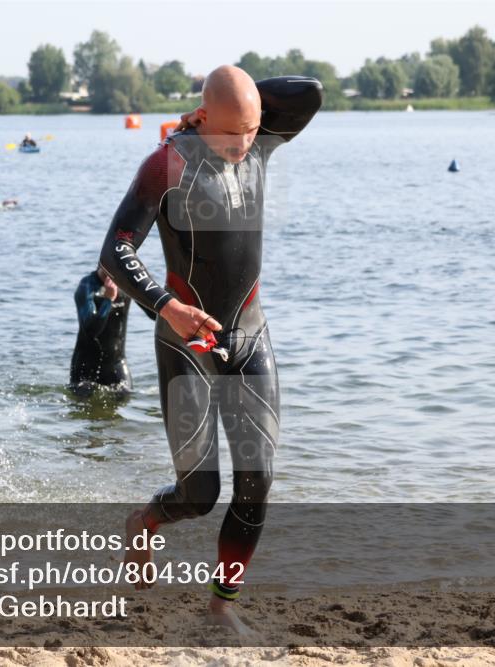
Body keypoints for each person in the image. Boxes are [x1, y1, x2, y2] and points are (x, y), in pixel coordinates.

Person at [98, 65, 322, 631]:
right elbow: (115, 250)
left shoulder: (260, 141)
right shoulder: (166, 163)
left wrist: (245, 103)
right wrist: (164, 305)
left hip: (249, 334)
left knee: (258, 479)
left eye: (251, 132)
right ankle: (145, 521)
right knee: (201, 494)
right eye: (230, 135)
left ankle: (222, 605)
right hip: (186, 342)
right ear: (202, 119)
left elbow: (311, 93)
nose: (242, 146)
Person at [70, 267, 154, 397]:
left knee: (126, 398)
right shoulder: (86, 286)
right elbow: (91, 330)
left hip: (116, 362)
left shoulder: (127, 283)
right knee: (83, 411)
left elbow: (155, 314)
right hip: (86, 366)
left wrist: (148, 285)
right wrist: (108, 300)